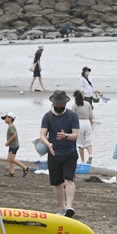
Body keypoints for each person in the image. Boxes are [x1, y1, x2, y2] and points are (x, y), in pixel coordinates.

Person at [39, 90, 81, 218]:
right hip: (54, 153)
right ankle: (62, 208)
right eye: (56, 103)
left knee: (69, 179)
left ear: (65, 103)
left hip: (70, 153)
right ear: (53, 103)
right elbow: (42, 135)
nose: (58, 106)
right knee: (57, 183)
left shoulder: (72, 116)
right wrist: (48, 144)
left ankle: (69, 206)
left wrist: (65, 136)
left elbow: (76, 135)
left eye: (61, 103)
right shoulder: (48, 117)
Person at [72, 90, 94, 164]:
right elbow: (91, 116)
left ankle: (83, 161)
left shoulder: (74, 106)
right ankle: (90, 154)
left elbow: (73, 118)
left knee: (80, 144)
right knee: (88, 141)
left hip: (79, 124)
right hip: (87, 123)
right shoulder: (87, 104)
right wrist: (91, 125)